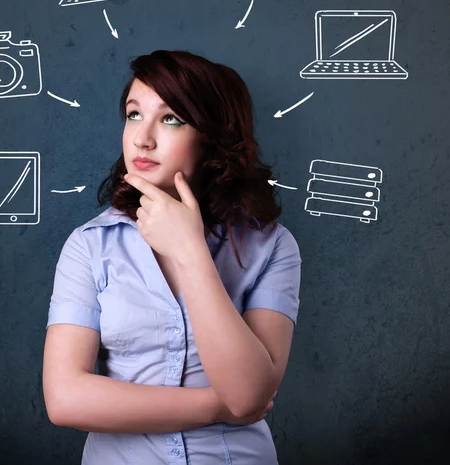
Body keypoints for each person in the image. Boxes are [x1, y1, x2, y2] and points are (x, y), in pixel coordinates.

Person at [42, 50, 302, 464]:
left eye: (170, 119)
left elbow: (250, 392)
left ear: (212, 138)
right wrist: (214, 407)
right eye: (133, 114)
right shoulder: (90, 245)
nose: (142, 138)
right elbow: (65, 399)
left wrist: (190, 250)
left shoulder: (271, 246)